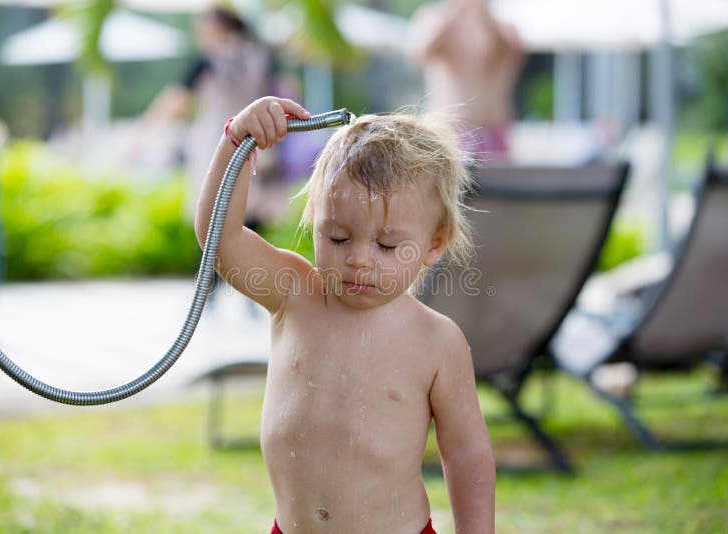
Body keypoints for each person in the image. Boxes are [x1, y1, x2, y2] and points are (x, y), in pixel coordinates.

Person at [195, 97, 495, 533]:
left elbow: (467, 453)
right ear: (315, 221)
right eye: (337, 237)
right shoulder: (294, 295)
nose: (358, 259)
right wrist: (236, 142)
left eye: (387, 246)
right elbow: (219, 240)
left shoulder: (436, 341)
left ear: (434, 243)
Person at [144, 6, 273, 225]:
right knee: (249, 221)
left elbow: (176, 101)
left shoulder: (210, 60)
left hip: (218, 143)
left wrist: (144, 130)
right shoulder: (260, 56)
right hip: (257, 143)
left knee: (212, 222)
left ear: (215, 27)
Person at [408, 0, 523, 160]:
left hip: (493, 132)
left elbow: (512, 51)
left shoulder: (503, 26)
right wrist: (455, 12)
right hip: (449, 135)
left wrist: (483, 15)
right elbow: (419, 53)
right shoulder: (433, 19)